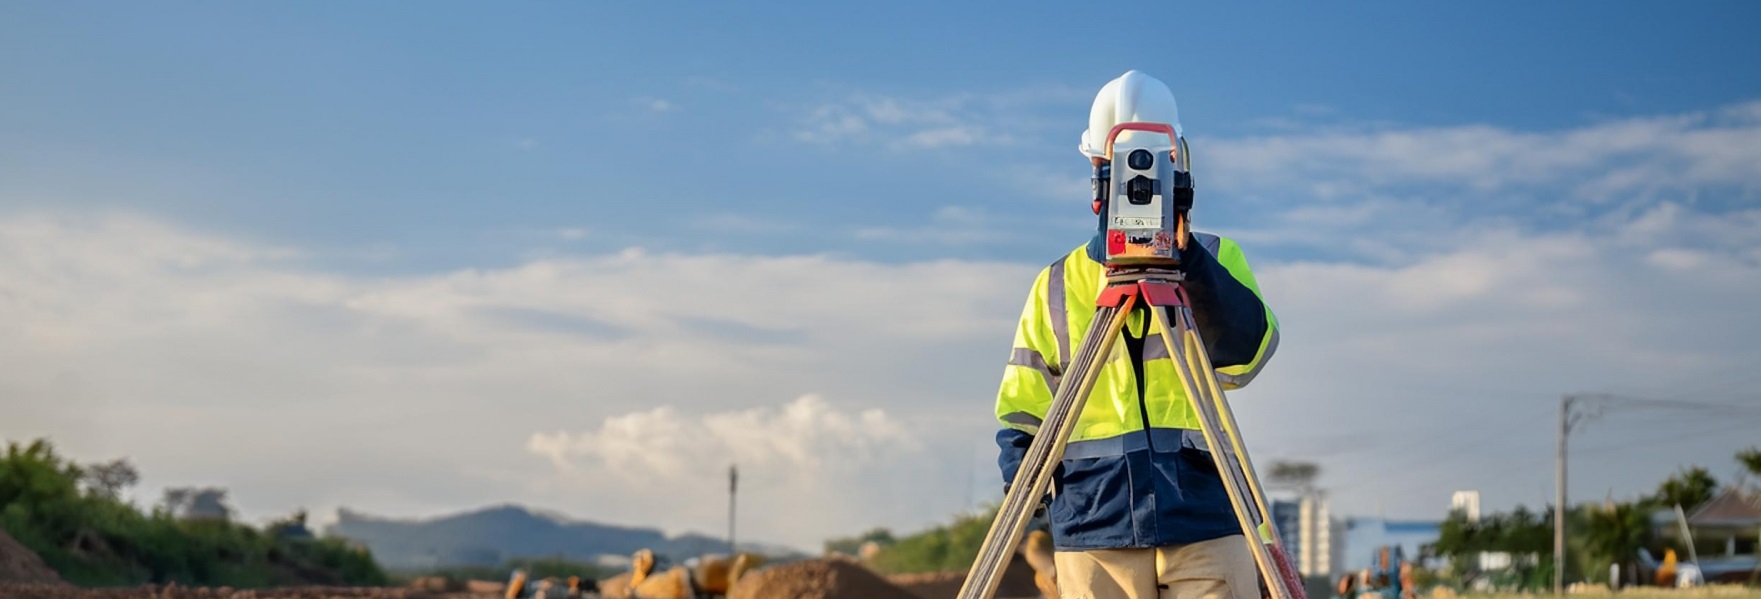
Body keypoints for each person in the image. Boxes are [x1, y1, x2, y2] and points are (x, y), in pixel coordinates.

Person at [993, 70, 1280, 599]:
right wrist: (1027, 484)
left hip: (1206, 518)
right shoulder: (1058, 283)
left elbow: (1246, 358)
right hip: (1094, 525)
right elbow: (1023, 407)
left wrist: (1187, 261)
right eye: (1121, 168)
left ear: (1178, 169)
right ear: (1098, 173)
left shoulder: (1215, 260)